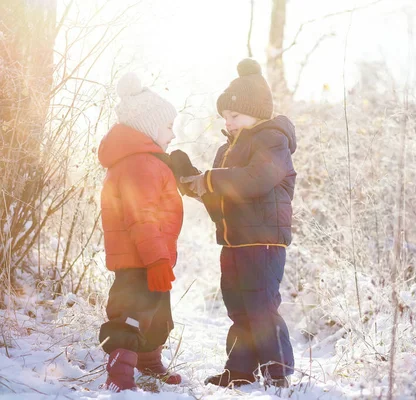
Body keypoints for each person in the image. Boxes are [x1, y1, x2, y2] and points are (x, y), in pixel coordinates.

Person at [182, 58, 297, 388]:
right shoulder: (226, 150)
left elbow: (256, 179)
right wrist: (192, 183)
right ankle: (241, 370)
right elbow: (221, 199)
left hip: (262, 240)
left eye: (235, 116)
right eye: (225, 117)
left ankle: (277, 372)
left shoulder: (273, 140)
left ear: (256, 113)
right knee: (238, 307)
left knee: (260, 304)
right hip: (233, 241)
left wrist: (212, 179)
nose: (228, 122)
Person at [97, 72, 183, 392]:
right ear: (148, 127)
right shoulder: (139, 164)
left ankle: (148, 362)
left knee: (157, 315)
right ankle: (119, 373)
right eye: (169, 127)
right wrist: (157, 259)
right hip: (139, 259)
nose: (173, 135)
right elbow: (141, 217)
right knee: (131, 314)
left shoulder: (147, 162)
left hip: (149, 256)